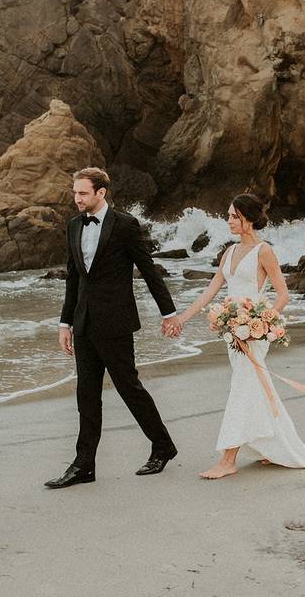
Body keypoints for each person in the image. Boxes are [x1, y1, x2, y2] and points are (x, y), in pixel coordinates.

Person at [174, 194, 305, 479]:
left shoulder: (264, 251)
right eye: (228, 215)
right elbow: (210, 291)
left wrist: (261, 323)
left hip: (254, 332)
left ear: (248, 219)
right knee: (254, 388)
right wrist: (181, 319)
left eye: (233, 216)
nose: (228, 220)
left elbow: (283, 294)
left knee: (243, 387)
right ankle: (271, 446)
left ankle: (228, 458)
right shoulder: (228, 252)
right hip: (232, 331)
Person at [45, 167, 183, 489]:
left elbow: (148, 270)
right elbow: (74, 279)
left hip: (115, 322)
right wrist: (65, 323)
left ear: (100, 193)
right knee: (86, 395)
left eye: (82, 193)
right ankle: (84, 466)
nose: (76, 198)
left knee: (128, 388)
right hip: (83, 323)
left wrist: (169, 313)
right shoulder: (72, 227)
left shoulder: (124, 225)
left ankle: (163, 446)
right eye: (75, 192)